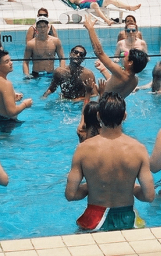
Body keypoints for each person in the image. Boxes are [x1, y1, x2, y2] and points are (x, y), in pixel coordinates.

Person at [65, 92, 155, 231]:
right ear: (124, 116)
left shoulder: (83, 149)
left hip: (95, 220)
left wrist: (91, 186)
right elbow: (149, 196)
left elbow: (71, 195)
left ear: (99, 116)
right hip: (128, 220)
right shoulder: (139, 149)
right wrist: (130, 187)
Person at [84, 15, 148, 98]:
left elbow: (99, 53)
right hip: (117, 109)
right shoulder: (135, 81)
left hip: (103, 108)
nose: (124, 56)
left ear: (130, 62)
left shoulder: (120, 72)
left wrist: (91, 29)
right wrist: (103, 69)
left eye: (126, 56)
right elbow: (115, 84)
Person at [0, 49, 33, 132]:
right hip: (7, 123)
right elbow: (11, 112)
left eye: (10, 60)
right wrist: (25, 104)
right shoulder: (6, 84)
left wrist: (11, 98)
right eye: (6, 61)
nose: (11, 63)